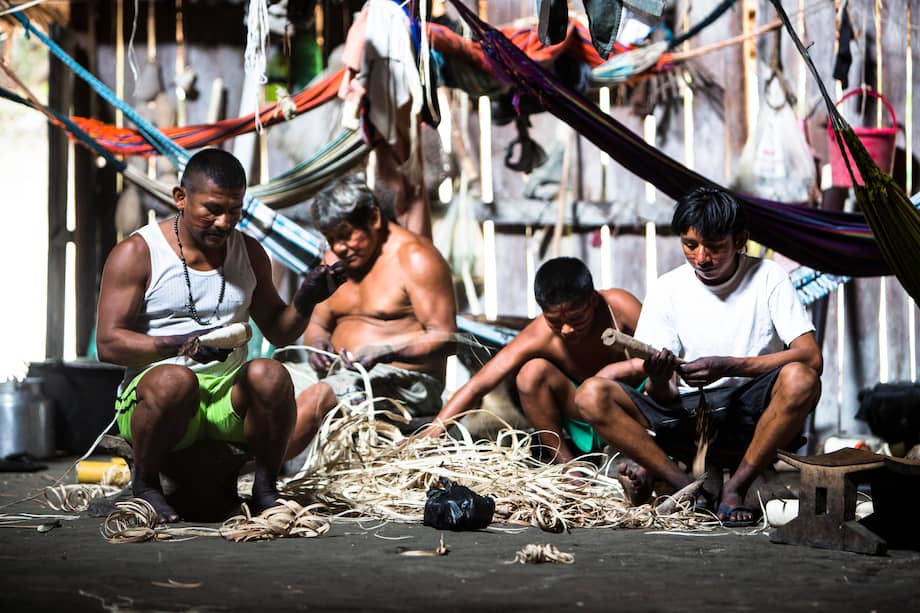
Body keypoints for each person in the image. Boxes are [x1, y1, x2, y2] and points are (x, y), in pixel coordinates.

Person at [96, 148, 346, 523]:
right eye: (212, 209)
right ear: (180, 197)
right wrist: (178, 344)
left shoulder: (249, 253)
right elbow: (108, 344)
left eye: (235, 210)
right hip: (158, 396)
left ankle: (265, 489)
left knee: (271, 373)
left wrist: (306, 299)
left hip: (223, 399)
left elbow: (280, 332)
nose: (224, 221)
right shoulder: (139, 252)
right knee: (175, 380)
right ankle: (146, 487)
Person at [574, 186, 823, 526]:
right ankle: (687, 487)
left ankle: (736, 488)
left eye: (715, 247)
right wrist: (660, 376)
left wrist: (729, 365)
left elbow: (811, 357)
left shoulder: (768, 278)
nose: (701, 257)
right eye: (690, 245)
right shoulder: (668, 288)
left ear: (740, 240)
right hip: (688, 415)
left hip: (751, 410)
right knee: (590, 394)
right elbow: (661, 394)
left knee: (801, 378)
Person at [279, 174, 456, 463]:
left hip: (408, 381)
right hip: (338, 373)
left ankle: (255, 478)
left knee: (323, 395)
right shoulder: (333, 259)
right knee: (270, 382)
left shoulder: (415, 257)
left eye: (347, 234)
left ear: (374, 218)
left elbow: (446, 338)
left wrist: (387, 350)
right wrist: (318, 346)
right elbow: (318, 324)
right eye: (331, 239)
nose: (340, 248)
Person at [423, 257, 644, 465]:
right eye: (555, 321)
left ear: (593, 300)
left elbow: (664, 353)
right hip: (585, 414)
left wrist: (619, 369)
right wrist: (430, 436)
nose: (566, 329)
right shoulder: (539, 335)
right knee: (531, 374)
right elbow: (477, 386)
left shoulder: (618, 306)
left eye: (576, 318)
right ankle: (568, 466)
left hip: (637, 403)